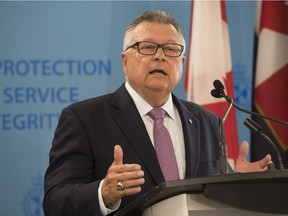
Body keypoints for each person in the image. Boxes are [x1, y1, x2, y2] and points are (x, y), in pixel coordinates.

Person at [43, 10, 272, 216]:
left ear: (182, 62)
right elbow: (55, 202)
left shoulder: (207, 121)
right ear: (125, 61)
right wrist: (104, 193)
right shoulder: (84, 119)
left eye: (171, 49)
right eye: (147, 47)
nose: (160, 56)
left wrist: (237, 183)